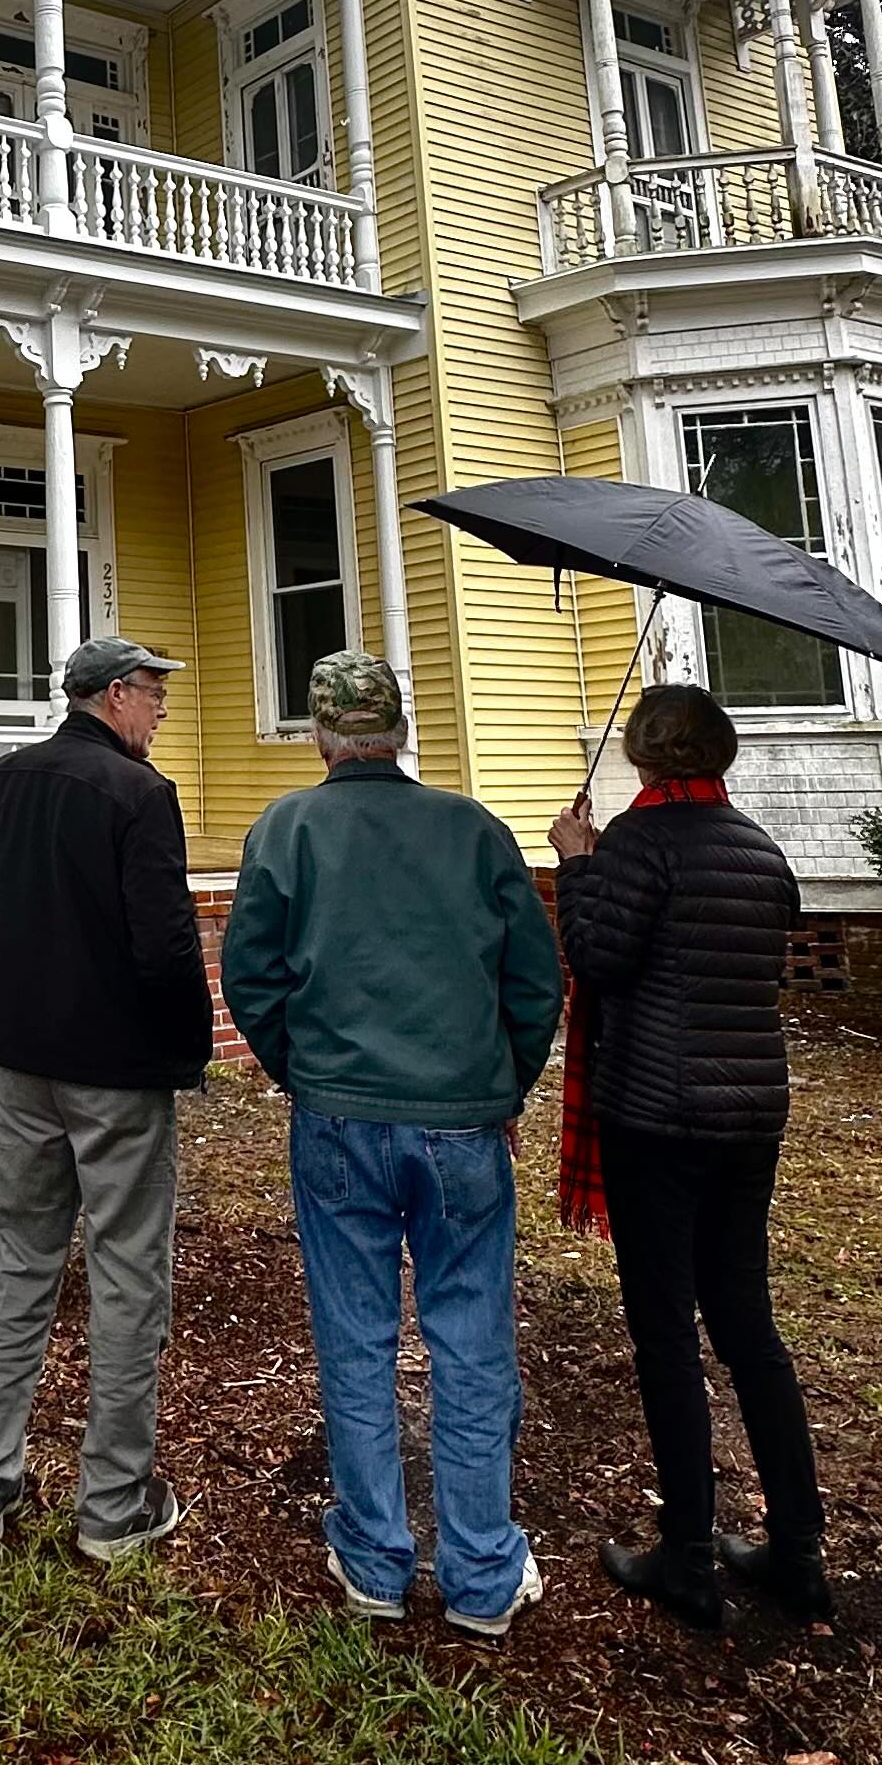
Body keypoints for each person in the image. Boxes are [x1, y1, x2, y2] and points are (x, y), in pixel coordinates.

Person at [221, 652, 563, 1639]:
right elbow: (535, 984)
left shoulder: (286, 830)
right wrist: (503, 1084)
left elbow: (252, 976)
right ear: (398, 731)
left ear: (322, 734)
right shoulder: (475, 832)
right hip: (462, 1123)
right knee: (470, 1336)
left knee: (356, 1333)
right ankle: (484, 1574)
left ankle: (375, 1562)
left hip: (336, 1120)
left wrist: (305, 1073)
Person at [549, 681, 829, 1630]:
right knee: (747, 1323)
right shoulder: (762, 850)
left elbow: (600, 958)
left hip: (655, 1118)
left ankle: (690, 1559)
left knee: (666, 1331)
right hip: (751, 1115)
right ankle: (796, 1552)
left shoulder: (638, 843)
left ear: (646, 756)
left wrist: (577, 863)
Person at [0, 635, 213, 1562]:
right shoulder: (141, 797)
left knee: (17, 1261)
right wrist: (186, 1047)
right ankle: (114, 1505)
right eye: (152, 692)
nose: (163, 709)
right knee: (128, 1273)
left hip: (22, 1060)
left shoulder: (4, 781)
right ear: (108, 697)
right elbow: (166, 946)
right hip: (117, 1071)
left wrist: (34, 969)